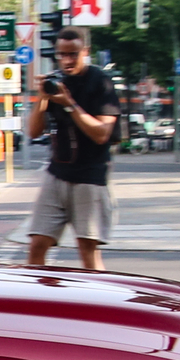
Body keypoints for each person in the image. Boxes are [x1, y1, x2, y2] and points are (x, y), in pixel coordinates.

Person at [23, 26, 119, 270]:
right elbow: (33, 132)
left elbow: (101, 134)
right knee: (37, 244)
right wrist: (42, 99)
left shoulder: (101, 82)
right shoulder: (56, 82)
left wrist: (69, 104)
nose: (67, 60)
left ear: (85, 51)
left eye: (73, 54)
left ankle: (97, 304)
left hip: (90, 178)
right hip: (56, 175)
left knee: (87, 250)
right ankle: (40, 301)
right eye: (62, 54)